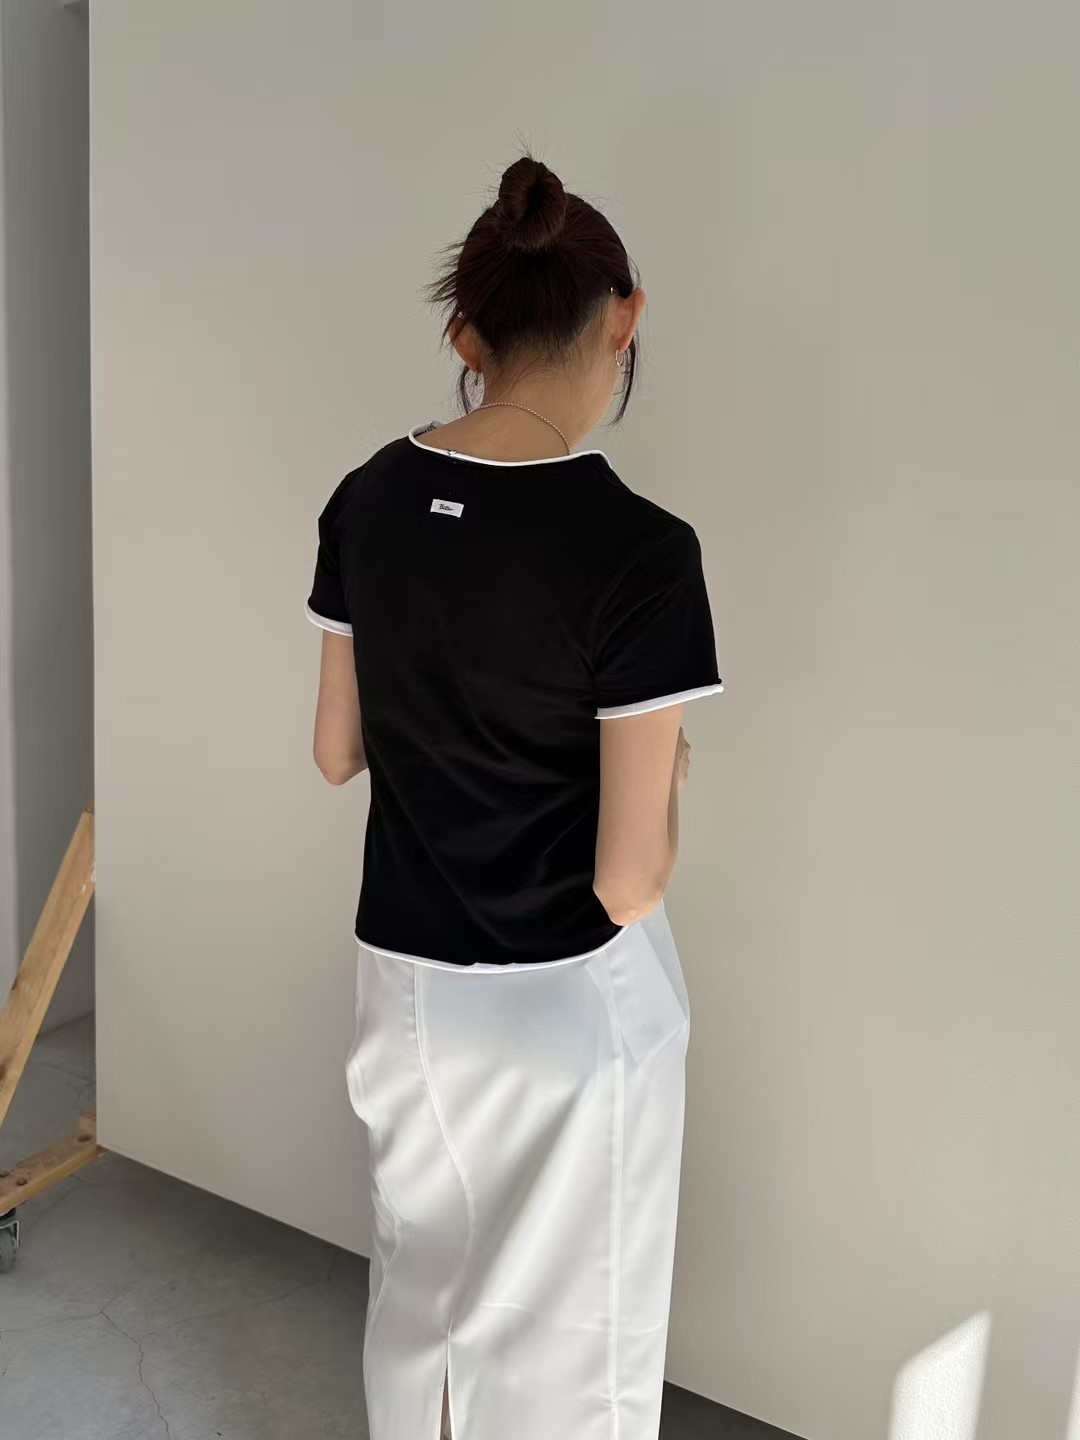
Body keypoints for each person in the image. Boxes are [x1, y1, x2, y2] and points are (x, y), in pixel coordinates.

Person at [306, 154, 722, 1440]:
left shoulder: (367, 499)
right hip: (566, 1002)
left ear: (465, 337)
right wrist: (674, 782)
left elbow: (336, 751)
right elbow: (628, 881)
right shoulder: (643, 554)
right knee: (572, 1353)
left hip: (404, 989)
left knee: (424, 1300)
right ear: (625, 319)